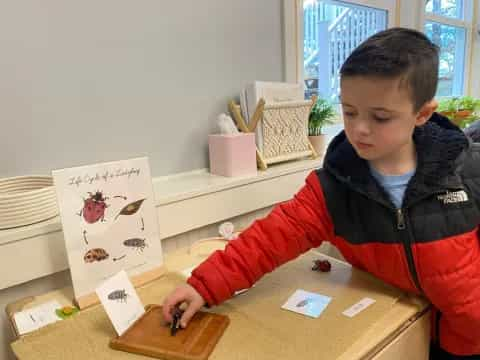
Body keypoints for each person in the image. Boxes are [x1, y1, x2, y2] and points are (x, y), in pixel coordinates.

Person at [163, 28, 480, 359]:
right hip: (397, 328)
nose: (358, 128)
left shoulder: (468, 169)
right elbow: (270, 238)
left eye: (380, 117)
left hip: (467, 337)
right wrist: (203, 284)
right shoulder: (332, 188)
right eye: (350, 111)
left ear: (423, 114)